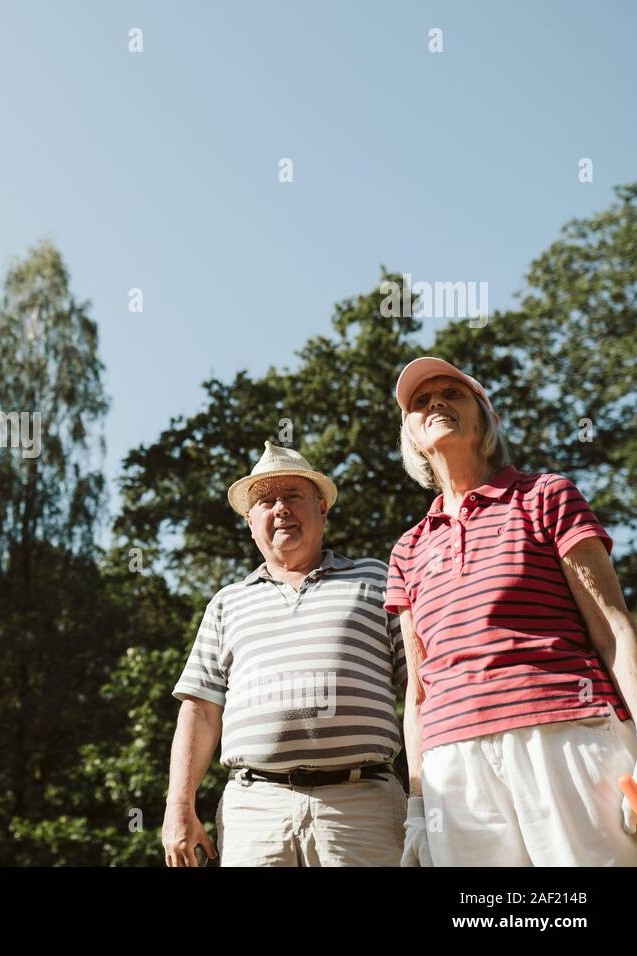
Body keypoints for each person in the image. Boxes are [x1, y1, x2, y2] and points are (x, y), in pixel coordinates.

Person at [387, 356, 637, 866]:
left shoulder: (547, 496)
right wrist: (416, 806)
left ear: (486, 418)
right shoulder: (407, 550)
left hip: (565, 732)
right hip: (453, 763)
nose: (435, 403)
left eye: (452, 394)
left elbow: (613, 628)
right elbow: (417, 689)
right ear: (411, 437)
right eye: (420, 401)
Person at [162, 442, 407, 867]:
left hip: (362, 806)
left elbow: (423, 690)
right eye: (266, 500)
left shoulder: (377, 579)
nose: (281, 509)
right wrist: (178, 807)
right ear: (250, 520)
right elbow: (200, 710)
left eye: (293, 496)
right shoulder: (227, 603)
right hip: (255, 811)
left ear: (322, 508)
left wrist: (428, 797)